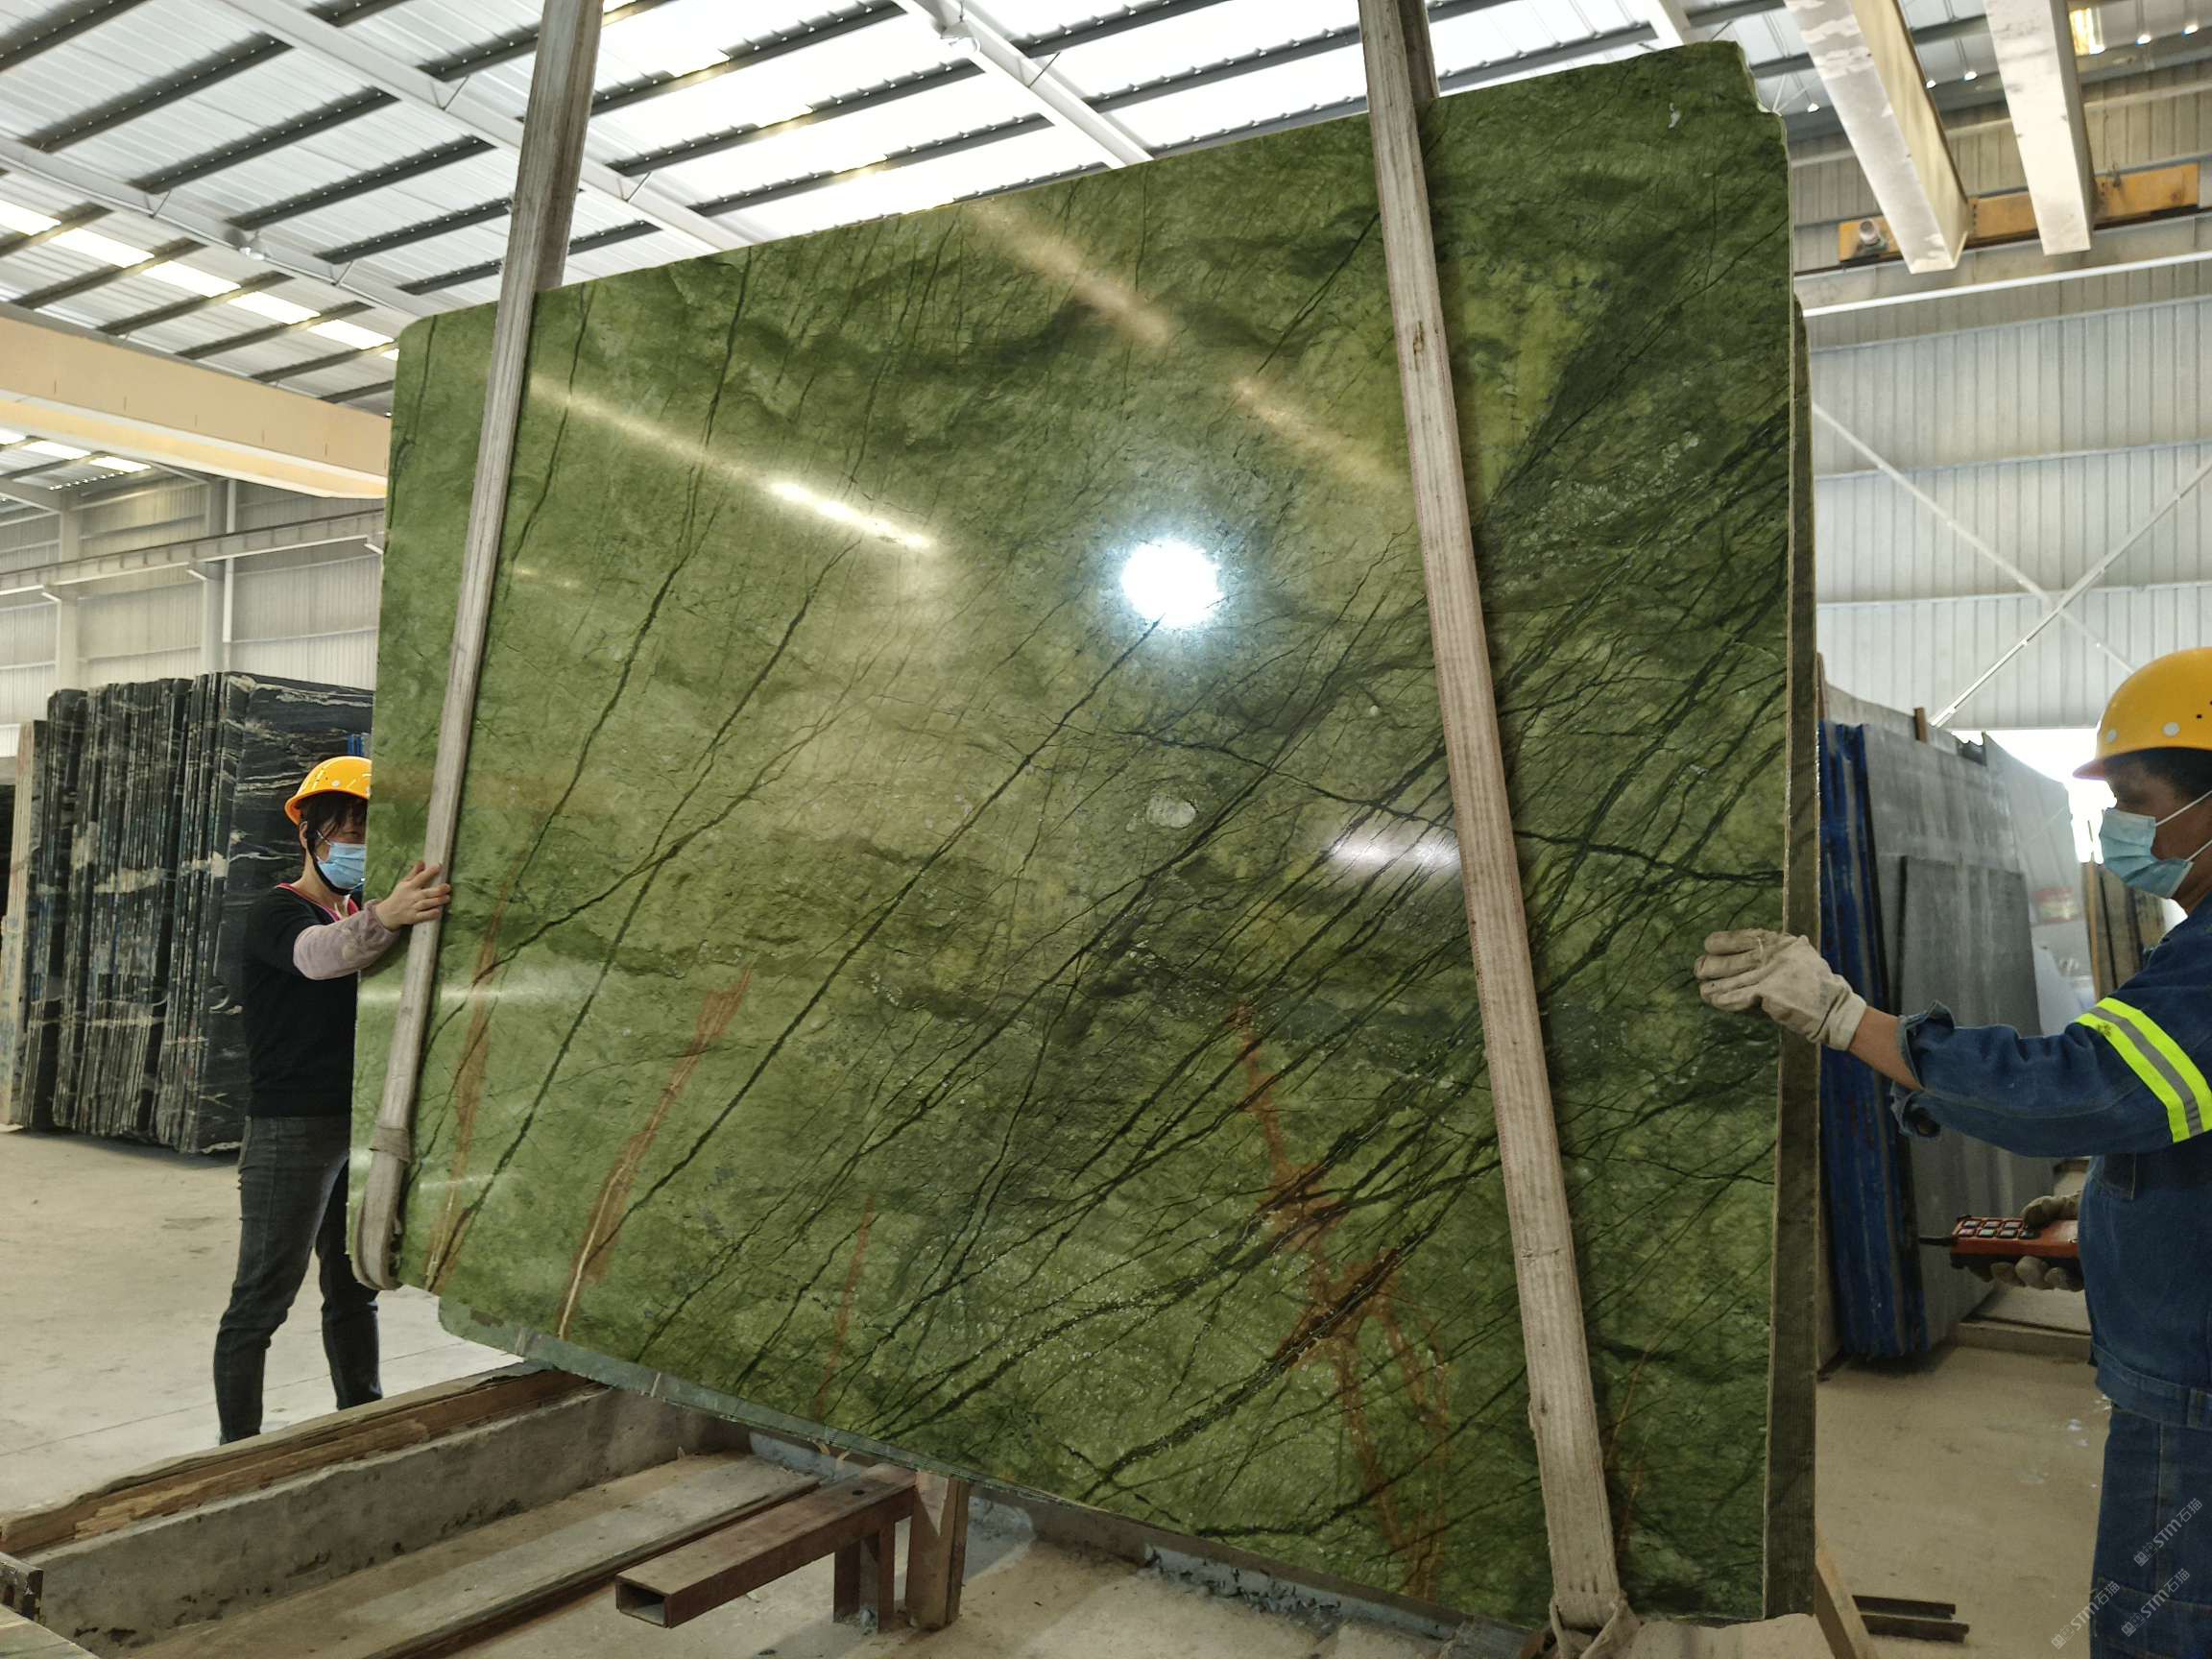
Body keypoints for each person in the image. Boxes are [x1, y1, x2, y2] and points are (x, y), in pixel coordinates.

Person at [1695, 646, 2212, 1659]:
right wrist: (2101, 1233)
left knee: (2159, 1634)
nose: (2121, 832)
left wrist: (1847, 1020)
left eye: (2139, 804)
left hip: (2195, 1399)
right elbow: (2168, 1119)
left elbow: (2082, 1088)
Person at [210, 757, 451, 1444]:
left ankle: (362, 1417)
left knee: (353, 1290)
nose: (358, 846)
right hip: (291, 1130)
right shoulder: (279, 911)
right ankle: (237, 1449)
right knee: (262, 1297)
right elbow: (319, 956)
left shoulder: (355, 914)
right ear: (308, 834)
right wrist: (387, 915)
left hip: (357, 1125)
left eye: (370, 832)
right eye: (347, 832)